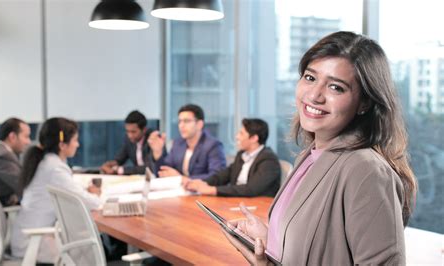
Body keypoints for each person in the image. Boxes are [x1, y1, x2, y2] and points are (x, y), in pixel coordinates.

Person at [222, 31, 417, 265]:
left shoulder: (365, 169)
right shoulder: (311, 156)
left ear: (365, 103)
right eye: (310, 78)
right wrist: (270, 242)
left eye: (336, 87)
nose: (314, 95)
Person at [11, 117, 101, 263]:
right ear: (62, 144)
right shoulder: (55, 168)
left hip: (30, 237)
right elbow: (89, 203)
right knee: (91, 247)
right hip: (35, 241)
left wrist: (86, 192)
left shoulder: (46, 162)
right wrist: (96, 195)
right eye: (75, 140)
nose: (78, 144)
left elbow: (72, 192)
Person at [186, 118, 281, 197]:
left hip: (259, 206)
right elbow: (222, 176)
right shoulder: (242, 155)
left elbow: (251, 189)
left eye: (241, 133)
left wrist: (213, 190)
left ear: (254, 138)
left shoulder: (269, 160)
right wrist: (201, 183)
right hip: (238, 201)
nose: (237, 137)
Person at [148, 104, 226, 180]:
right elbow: (164, 172)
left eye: (186, 121)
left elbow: (216, 176)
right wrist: (157, 153)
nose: (181, 125)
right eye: (179, 121)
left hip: (203, 192)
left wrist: (182, 179)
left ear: (199, 124)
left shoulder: (213, 145)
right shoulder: (178, 144)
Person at [100, 110, 160, 175]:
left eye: (133, 132)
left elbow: (149, 168)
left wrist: (120, 170)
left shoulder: (153, 139)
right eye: (127, 131)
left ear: (144, 130)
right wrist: (110, 165)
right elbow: (119, 159)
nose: (130, 135)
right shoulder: (129, 140)